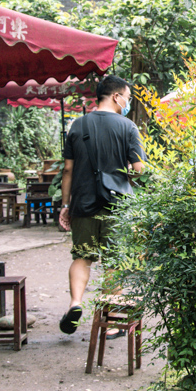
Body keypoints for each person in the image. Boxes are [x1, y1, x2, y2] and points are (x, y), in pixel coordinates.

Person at [57, 75, 145, 335]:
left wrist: (65, 205)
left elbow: (67, 170)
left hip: (83, 202)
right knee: (114, 262)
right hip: (117, 205)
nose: (127, 103)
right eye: (127, 98)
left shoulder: (78, 125)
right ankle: (110, 322)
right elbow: (139, 169)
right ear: (116, 96)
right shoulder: (128, 127)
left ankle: (75, 303)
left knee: (82, 256)